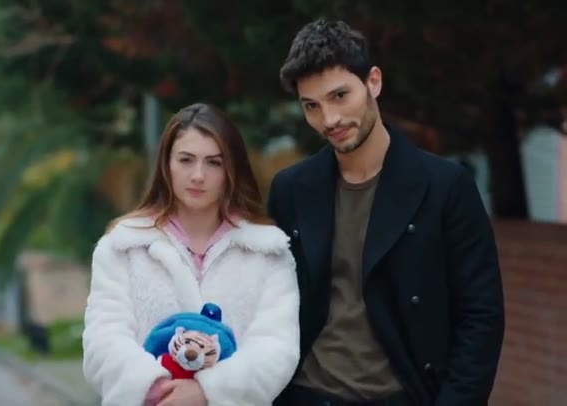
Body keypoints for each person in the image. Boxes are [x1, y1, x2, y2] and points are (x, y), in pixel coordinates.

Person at [267, 19, 505, 406]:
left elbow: (481, 315)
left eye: (340, 95)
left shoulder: (445, 187)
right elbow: (269, 303)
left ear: (373, 82)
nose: (329, 119)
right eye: (312, 106)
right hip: (305, 395)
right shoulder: (291, 189)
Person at [82, 102, 301, 406]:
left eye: (214, 163)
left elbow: (276, 348)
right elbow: (103, 340)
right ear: (166, 165)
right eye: (186, 160)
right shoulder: (123, 246)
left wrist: (207, 392)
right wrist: (160, 389)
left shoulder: (268, 252)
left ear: (231, 170)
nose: (198, 175)